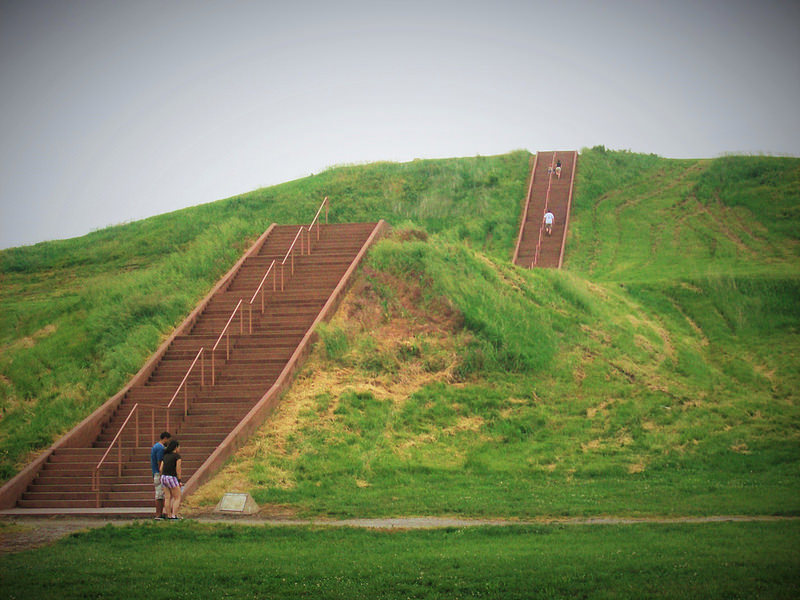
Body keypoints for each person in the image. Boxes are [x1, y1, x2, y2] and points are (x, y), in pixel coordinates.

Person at [159, 440, 183, 520]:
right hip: (172, 477)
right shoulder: (177, 457)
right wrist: (179, 480)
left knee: (167, 497)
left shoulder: (165, 456)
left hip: (163, 477)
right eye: (179, 447)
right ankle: (174, 515)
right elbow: (178, 469)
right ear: (176, 447)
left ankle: (168, 515)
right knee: (177, 497)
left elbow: (161, 468)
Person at [150, 431, 171, 519]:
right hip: (159, 473)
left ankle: (160, 513)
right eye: (168, 440)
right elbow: (160, 461)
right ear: (165, 438)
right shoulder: (160, 448)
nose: (168, 442)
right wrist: (162, 472)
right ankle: (158, 514)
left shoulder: (155, 446)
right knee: (159, 495)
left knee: (160, 494)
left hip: (155, 472)